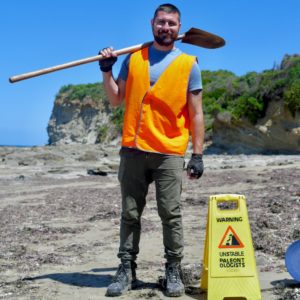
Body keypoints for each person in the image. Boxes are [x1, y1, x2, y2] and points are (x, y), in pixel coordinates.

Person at [99, 3, 204, 297]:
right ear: (152, 24)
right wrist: (107, 71)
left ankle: (173, 270)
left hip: (169, 151)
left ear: (179, 28)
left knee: (170, 214)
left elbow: (196, 113)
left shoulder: (188, 64)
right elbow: (116, 99)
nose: (166, 27)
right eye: (161, 22)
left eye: (172, 23)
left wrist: (197, 154)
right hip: (133, 148)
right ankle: (126, 270)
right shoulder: (133, 59)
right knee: (130, 214)